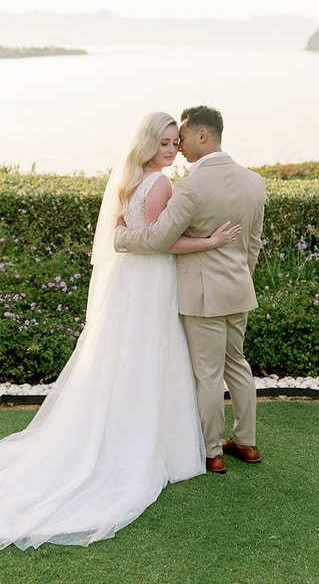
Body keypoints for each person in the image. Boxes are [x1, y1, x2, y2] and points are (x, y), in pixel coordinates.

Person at [0, 111, 240, 550]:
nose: (173, 150)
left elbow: (125, 233)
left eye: (176, 142)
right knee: (148, 357)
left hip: (133, 282)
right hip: (151, 280)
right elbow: (158, 241)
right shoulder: (161, 184)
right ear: (151, 144)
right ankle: (149, 448)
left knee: (129, 359)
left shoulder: (130, 181)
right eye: (166, 143)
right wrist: (211, 241)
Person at [115, 105, 266, 475]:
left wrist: (120, 238)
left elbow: (156, 239)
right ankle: (246, 442)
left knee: (209, 375)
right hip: (238, 290)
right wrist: (239, 276)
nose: (178, 147)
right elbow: (253, 244)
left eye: (181, 138)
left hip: (203, 297)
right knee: (238, 366)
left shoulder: (190, 188)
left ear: (203, 135)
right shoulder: (254, 182)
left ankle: (212, 451)